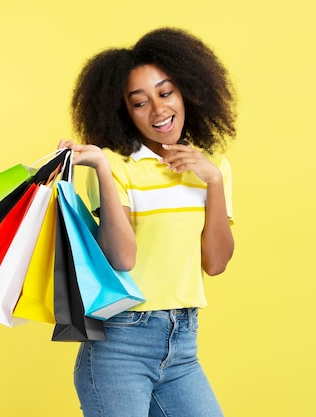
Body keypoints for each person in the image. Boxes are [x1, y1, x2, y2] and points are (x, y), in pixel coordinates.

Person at [58, 27, 236, 417]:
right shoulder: (116, 167)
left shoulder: (211, 167)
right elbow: (121, 259)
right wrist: (103, 169)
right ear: (124, 112)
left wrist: (216, 183)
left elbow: (216, 264)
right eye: (140, 103)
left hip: (184, 345)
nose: (158, 110)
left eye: (166, 93)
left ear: (188, 90)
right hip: (120, 345)